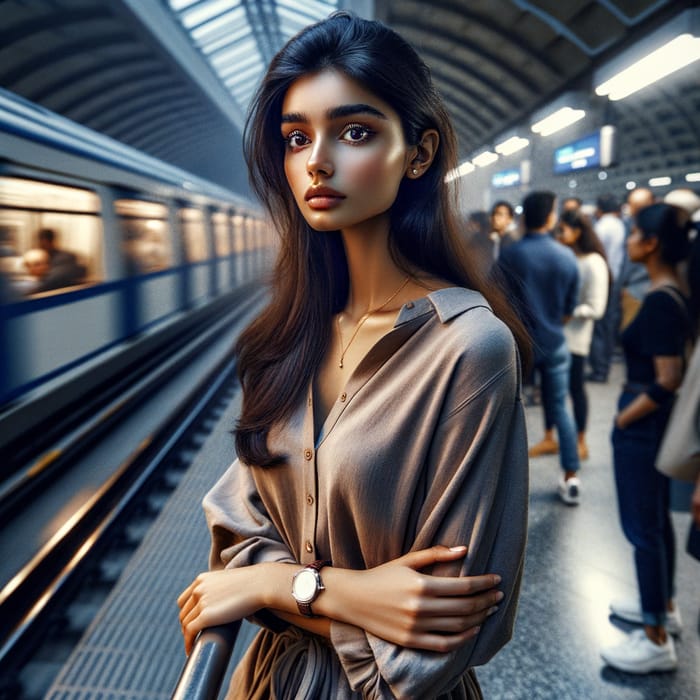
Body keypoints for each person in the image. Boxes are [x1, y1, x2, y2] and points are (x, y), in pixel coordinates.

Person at [177, 12, 530, 699]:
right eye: (296, 137)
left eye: (356, 132)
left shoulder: (470, 349)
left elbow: (441, 632)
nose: (317, 160)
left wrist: (279, 585)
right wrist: (345, 593)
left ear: (420, 154)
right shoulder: (290, 335)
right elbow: (237, 534)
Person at [601, 203, 694, 674]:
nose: (630, 239)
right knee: (655, 522)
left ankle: (655, 636)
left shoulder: (659, 300)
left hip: (642, 420)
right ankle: (664, 607)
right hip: (654, 423)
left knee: (641, 528)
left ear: (651, 243)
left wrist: (622, 421)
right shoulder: (676, 293)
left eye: (635, 232)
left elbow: (668, 378)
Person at [498, 191, 581, 504]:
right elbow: (569, 307)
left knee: (509, 407)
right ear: (550, 217)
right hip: (556, 342)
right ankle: (571, 476)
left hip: (521, 345)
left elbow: (498, 297)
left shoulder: (511, 254)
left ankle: (502, 483)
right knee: (560, 406)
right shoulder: (566, 256)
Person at [529, 209, 609, 461]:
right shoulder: (563, 257)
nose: (558, 234)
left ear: (578, 232)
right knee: (550, 389)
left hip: (574, 338)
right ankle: (549, 436)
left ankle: (581, 440)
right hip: (553, 334)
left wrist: (566, 312)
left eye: (562, 230)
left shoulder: (593, 262)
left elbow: (596, 308)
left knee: (574, 389)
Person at [588, 194, 626, 382]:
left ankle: (599, 369)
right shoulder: (620, 225)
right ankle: (605, 365)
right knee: (609, 325)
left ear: (599, 209)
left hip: (603, 279)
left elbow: (595, 251)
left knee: (599, 327)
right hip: (616, 279)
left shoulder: (602, 227)